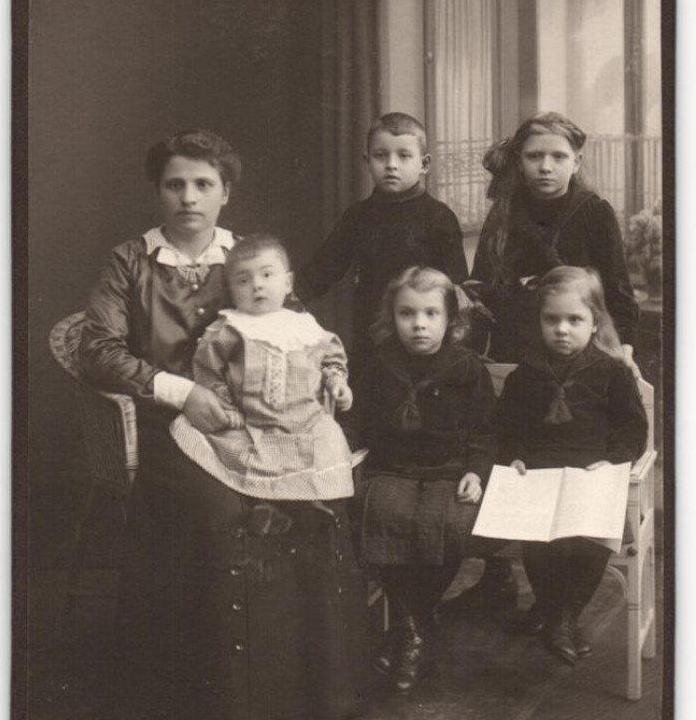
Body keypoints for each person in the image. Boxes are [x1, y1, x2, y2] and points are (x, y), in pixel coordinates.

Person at [78, 131, 366, 720]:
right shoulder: (129, 262)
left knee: (313, 503)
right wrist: (184, 393)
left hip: (261, 426)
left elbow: (299, 336)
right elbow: (97, 351)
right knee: (223, 509)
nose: (189, 197)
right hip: (164, 425)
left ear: (225, 192)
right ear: (158, 191)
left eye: (203, 184)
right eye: (175, 184)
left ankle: (308, 695)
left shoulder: (249, 260)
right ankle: (220, 709)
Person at [350, 267, 497, 693]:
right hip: (393, 468)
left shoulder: (467, 369)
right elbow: (356, 419)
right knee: (381, 512)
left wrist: (475, 470)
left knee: (451, 524)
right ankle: (416, 627)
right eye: (407, 314)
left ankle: (407, 626)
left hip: (447, 471)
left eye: (431, 314)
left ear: (450, 320)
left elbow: (485, 432)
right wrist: (344, 445)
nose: (419, 324)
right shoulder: (380, 367)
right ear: (391, 317)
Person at [497, 267, 648, 665]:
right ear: (539, 321)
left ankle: (562, 616)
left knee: (590, 539)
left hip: (591, 472)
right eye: (552, 319)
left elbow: (633, 426)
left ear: (595, 321)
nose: (562, 329)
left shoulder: (611, 371)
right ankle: (553, 612)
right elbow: (507, 425)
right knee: (538, 541)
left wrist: (614, 461)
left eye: (574, 319)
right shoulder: (527, 374)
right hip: (541, 472)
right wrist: (513, 455)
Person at [170, 233, 355, 502]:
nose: (257, 286)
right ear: (231, 291)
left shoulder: (304, 327)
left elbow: (330, 359)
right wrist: (226, 408)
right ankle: (260, 506)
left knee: (331, 440)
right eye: (243, 281)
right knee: (234, 451)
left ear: (287, 283)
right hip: (252, 426)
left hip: (307, 426)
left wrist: (337, 382)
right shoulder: (231, 328)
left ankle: (316, 508)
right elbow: (209, 371)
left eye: (267, 275)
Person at [295, 111, 469, 372]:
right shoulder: (358, 217)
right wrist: (287, 293)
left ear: (424, 164)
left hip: (423, 334)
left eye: (404, 155)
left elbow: (454, 286)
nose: (391, 164)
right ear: (367, 161)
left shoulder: (439, 217)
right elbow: (322, 269)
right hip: (372, 335)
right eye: (380, 155)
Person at [470, 112, 639, 374]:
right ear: (519, 161)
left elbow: (618, 290)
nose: (546, 167)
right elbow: (481, 286)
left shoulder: (595, 212)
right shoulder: (503, 212)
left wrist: (624, 346)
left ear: (576, 161)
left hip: (579, 348)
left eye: (558, 157)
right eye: (534, 156)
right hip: (515, 349)